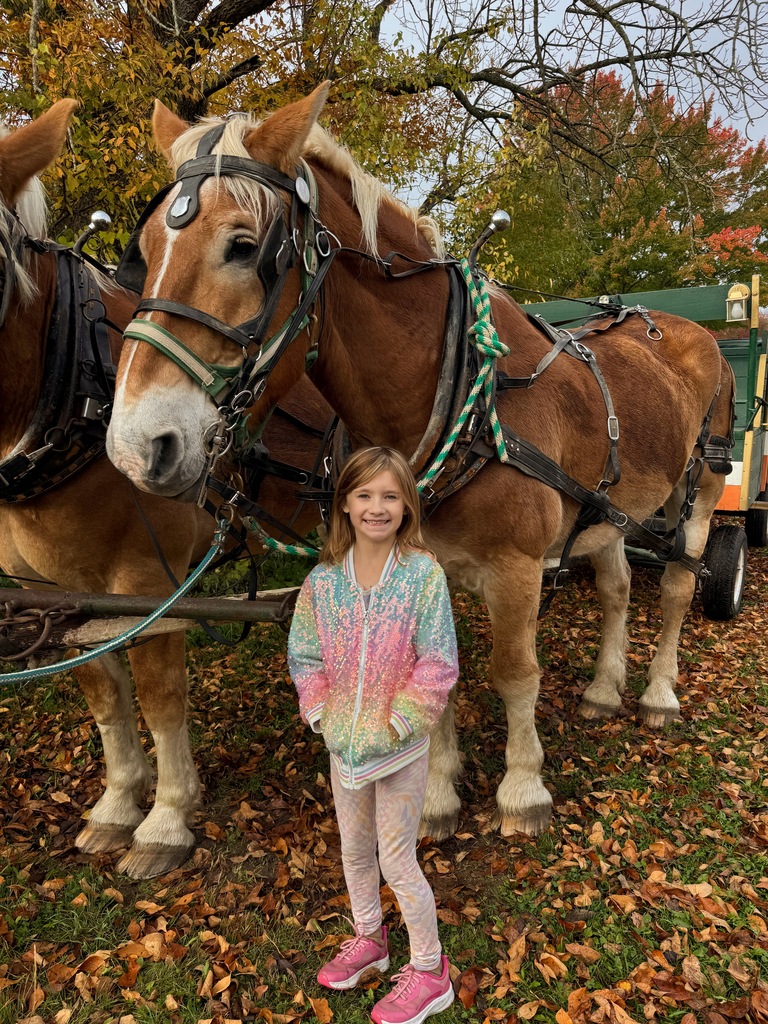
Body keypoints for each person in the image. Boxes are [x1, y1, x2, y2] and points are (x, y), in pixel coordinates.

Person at [288, 445, 458, 1024]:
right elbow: (305, 655)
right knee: (355, 852)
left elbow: (438, 662)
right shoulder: (322, 581)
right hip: (345, 751)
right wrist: (320, 714)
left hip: (401, 750)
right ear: (345, 504)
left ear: (406, 506)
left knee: (397, 859)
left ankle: (431, 972)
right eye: (364, 495)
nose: (376, 507)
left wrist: (398, 723)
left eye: (389, 496)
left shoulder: (422, 577)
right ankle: (370, 939)